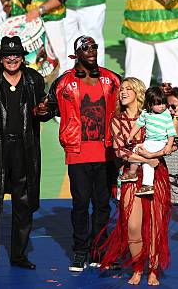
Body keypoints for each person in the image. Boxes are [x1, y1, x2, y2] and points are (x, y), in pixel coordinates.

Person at [45, 35, 121, 272]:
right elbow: (48, 109)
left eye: (94, 47)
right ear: (76, 53)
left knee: (102, 205)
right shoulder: (64, 82)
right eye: (86, 48)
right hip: (77, 153)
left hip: (107, 152)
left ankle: (98, 250)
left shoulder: (112, 79)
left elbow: (127, 105)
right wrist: (40, 111)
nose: (92, 51)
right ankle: (80, 252)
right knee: (80, 205)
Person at [0, 36, 50, 269]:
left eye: (16, 55)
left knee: (24, 203)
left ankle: (18, 255)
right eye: (7, 55)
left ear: (22, 57)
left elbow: (45, 111)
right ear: (0, 57)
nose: (12, 59)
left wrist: (43, 112)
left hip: (25, 148)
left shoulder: (35, 80)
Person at [95, 77, 172, 286]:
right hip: (130, 175)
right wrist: (149, 158)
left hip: (156, 175)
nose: (123, 92)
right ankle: (138, 266)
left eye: (128, 88)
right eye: (121, 89)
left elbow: (168, 140)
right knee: (133, 225)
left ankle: (153, 270)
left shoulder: (153, 114)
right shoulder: (117, 119)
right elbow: (121, 152)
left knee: (155, 224)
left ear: (138, 92)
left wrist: (164, 150)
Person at [124, 87, 176, 196]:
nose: (162, 106)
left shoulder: (166, 114)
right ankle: (133, 173)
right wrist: (131, 136)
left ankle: (146, 184)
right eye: (158, 104)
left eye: (163, 103)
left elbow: (171, 133)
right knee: (136, 150)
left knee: (147, 160)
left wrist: (168, 146)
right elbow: (138, 124)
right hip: (149, 141)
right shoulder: (145, 113)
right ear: (150, 105)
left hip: (160, 142)